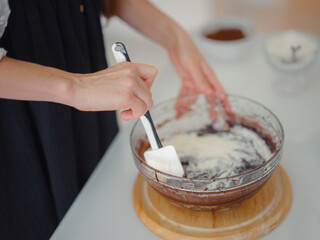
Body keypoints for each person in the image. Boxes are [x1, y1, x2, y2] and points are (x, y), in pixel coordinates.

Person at [0, 0, 229, 239]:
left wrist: (176, 39)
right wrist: (77, 88)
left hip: (86, 82)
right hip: (23, 115)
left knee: (97, 200)